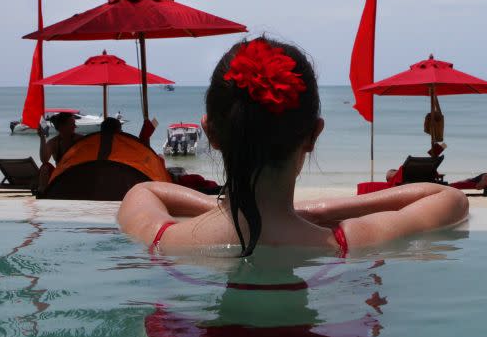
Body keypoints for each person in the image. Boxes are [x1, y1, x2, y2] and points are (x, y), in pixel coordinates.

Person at [119, 37, 468, 256]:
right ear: (314, 135)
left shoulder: (163, 238)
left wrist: (224, 207)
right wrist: (313, 212)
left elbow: (145, 191)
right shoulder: (348, 242)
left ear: (210, 132)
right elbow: (449, 199)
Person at [38, 112, 83, 191]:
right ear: (62, 126)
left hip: (78, 174)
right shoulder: (54, 142)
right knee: (44, 168)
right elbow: (44, 160)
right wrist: (42, 137)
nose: (75, 126)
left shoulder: (81, 140)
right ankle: (43, 194)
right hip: (60, 176)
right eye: (71, 124)